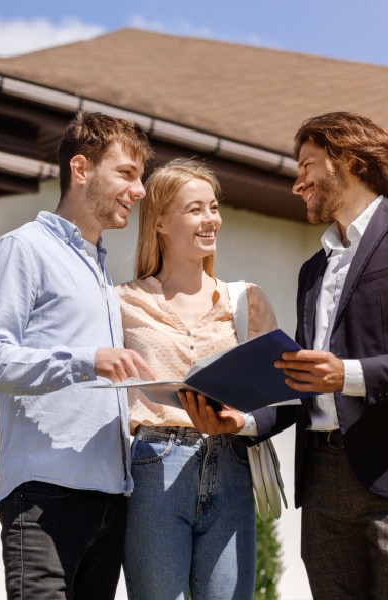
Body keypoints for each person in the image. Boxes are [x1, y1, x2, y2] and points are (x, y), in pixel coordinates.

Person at [188, 112, 388, 600]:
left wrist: (348, 375)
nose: (297, 184)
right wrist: (245, 421)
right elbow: (303, 382)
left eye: (307, 166)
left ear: (349, 161)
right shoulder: (312, 271)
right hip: (321, 483)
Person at [0, 111, 156, 600]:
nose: (139, 191)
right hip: (44, 498)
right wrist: (83, 361)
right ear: (80, 169)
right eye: (127, 174)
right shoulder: (23, 249)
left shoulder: (98, 268)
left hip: (112, 501)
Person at [116, 158, 277, 600]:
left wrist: (240, 420)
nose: (211, 220)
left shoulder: (246, 301)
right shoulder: (122, 303)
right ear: (161, 221)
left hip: (231, 465)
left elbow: (278, 397)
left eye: (214, 207)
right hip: (154, 468)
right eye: (195, 210)